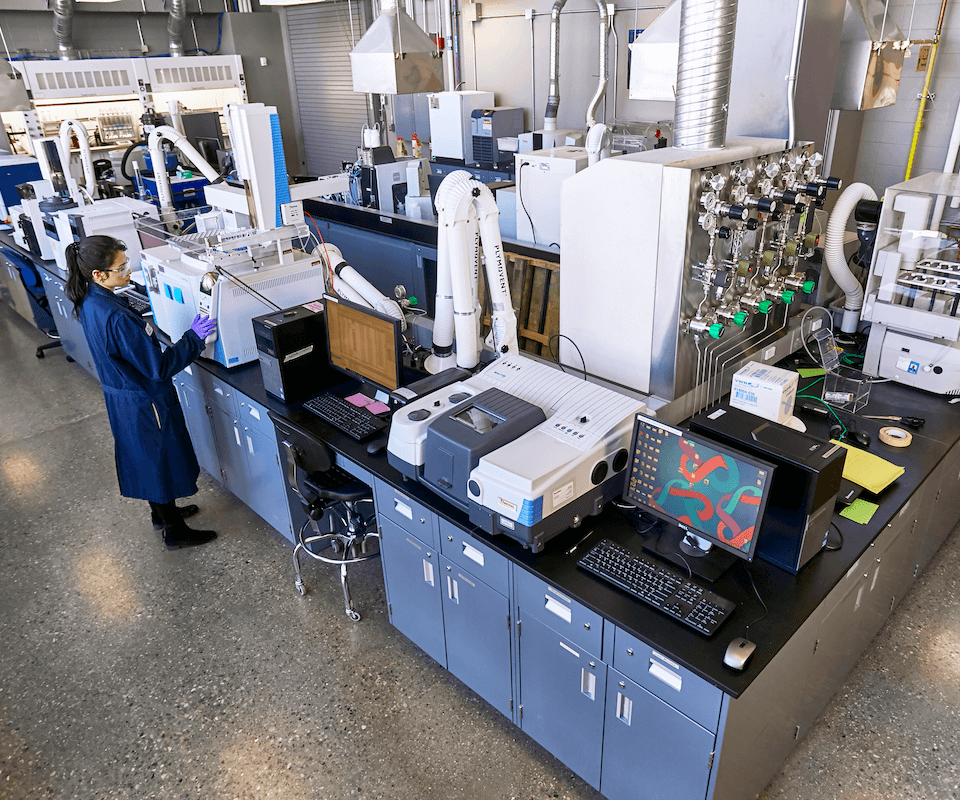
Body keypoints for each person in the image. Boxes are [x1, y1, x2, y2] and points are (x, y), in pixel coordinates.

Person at [65, 234, 218, 549]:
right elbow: (158, 368)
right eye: (121, 268)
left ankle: (162, 514)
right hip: (144, 399)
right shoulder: (116, 317)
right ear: (99, 274)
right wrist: (194, 337)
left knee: (145, 459)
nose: (128, 272)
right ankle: (175, 531)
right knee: (160, 461)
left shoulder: (92, 300)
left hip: (123, 395)